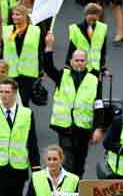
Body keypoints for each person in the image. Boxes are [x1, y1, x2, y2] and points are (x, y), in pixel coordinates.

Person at [44, 30, 104, 178]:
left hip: (83, 128)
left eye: (82, 60)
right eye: (76, 60)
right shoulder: (62, 76)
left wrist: (98, 128)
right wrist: (49, 47)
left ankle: (76, 192)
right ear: (71, 61)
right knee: (68, 162)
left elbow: (99, 105)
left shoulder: (94, 80)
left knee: (79, 163)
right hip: (65, 127)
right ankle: (67, 193)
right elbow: (48, 67)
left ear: (87, 62)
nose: (79, 63)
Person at [1, 4, 41, 106]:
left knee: (23, 103)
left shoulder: (35, 31)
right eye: (13, 14)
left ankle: (26, 121)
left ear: (25, 16)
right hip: (11, 72)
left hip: (28, 74)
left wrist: (41, 70)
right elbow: (3, 51)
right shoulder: (6, 30)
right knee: (10, 103)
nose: (14, 17)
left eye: (17, 14)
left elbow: (39, 52)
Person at [67, 3, 107, 75]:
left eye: (94, 20)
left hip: (95, 69)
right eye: (90, 19)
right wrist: (67, 67)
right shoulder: (74, 29)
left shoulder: (103, 28)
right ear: (85, 15)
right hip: (80, 68)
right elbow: (71, 50)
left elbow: (103, 50)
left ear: (98, 17)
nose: (92, 22)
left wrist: (103, 67)